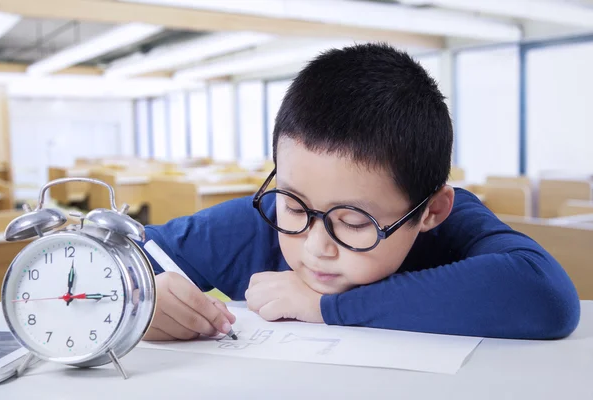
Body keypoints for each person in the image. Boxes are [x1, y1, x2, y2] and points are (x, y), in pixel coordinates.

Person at [141, 43, 580, 342]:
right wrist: (139, 299)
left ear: (430, 210)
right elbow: (109, 256)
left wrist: (325, 306)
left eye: (353, 222)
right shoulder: (253, 222)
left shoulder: (452, 222)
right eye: (295, 206)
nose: (314, 247)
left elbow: (547, 296)